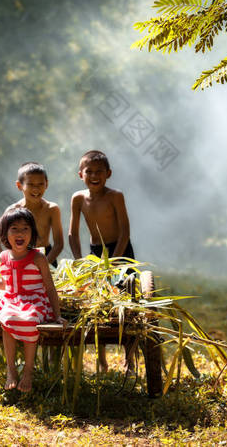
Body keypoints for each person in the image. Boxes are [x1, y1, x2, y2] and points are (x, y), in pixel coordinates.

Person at [0, 208, 66, 392]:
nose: (20, 233)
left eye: (25, 229)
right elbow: (5, 284)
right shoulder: (3, 257)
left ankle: (28, 371)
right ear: (5, 234)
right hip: (12, 301)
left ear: (32, 233)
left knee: (30, 319)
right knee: (7, 318)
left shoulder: (38, 258)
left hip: (34, 302)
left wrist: (57, 315)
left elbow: (49, 287)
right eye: (14, 228)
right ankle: (11, 370)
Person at [68, 150, 135, 371]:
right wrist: (79, 261)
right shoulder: (78, 199)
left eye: (99, 172)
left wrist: (114, 261)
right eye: (89, 171)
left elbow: (125, 231)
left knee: (128, 302)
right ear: (80, 174)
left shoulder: (115, 196)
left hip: (120, 250)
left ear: (108, 174)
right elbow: (73, 234)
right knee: (97, 305)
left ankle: (129, 358)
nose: (94, 176)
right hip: (95, 253)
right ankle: (102, 359)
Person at [0, 162, 63, 266]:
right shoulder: (13, 210)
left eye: (40, 184)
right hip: (20, 257)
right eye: (30, 184)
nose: (36, 189)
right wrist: (6, 262)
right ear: (19, 185)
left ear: (46, 184)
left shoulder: (52, 209)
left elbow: (59, 244)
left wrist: (44, 265)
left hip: (46, 257)